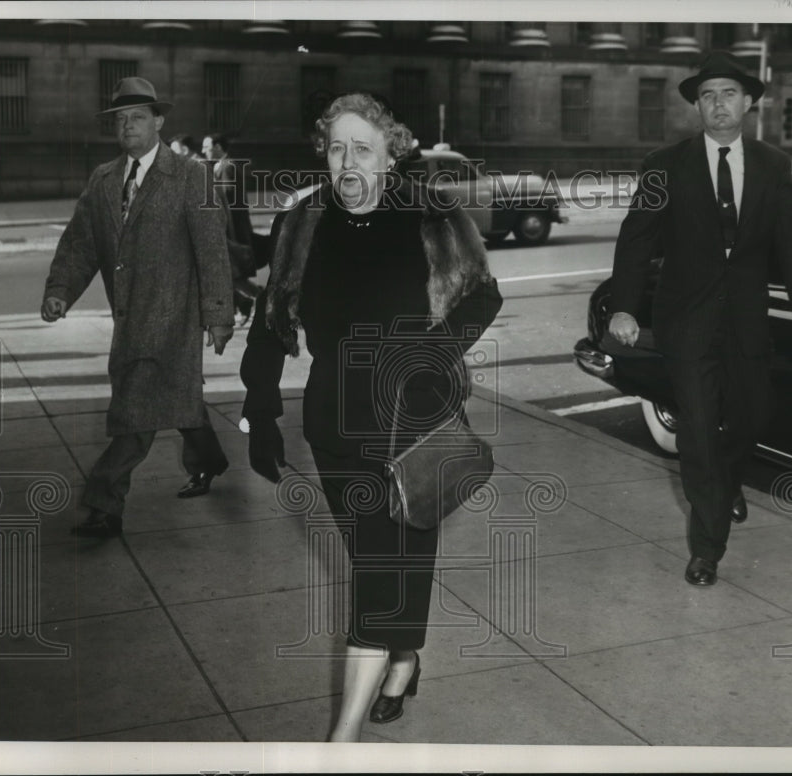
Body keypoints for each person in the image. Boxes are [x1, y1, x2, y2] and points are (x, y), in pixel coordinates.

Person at [240, 92, 502, 741]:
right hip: (337, 424)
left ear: (390, 156)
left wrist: (427, 358)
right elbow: (271, 322)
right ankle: (403, 653)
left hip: (417, 421)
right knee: (377, 560)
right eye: (336, 147)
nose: (347, 160)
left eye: (363, 147)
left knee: (400, 557)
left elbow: (483, 296)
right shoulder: (301, 224)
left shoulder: (430, 214)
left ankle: (344, 737)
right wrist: (261, 406)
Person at [608, 51, 792, 586]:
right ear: (697, 107)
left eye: (728, 93)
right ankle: (707, 547)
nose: (718, 104)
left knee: (753, 416)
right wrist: (622, 305)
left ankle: (728, 482)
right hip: (686, 320)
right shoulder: (665, 164)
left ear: (749, 101)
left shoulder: (774, 165)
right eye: (708, 96)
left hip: (748, 320)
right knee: (700, 433)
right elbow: (637, 239)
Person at [41, 77, 235, 539]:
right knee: (177, 402)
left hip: (174, 320)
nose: (127, 126)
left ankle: (104, 505)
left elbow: (212, 251)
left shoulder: (191, 176)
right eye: (120, 120)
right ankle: (210, 460)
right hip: (128, 320)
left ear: (159, 122)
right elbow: (80, 244)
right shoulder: (104, 179)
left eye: (137, 117)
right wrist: (60, 291)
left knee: (134, 415)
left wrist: (219, 315)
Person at [204, 132, 258, 326]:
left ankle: (253, 301)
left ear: (218, 147)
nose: (204, 151)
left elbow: (226, 195)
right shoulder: (223, 166)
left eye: (207, 146)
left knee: (233, 272)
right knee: (231, 272)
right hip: (231, 226)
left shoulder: (227, 166)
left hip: (232, 228)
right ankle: (243, 306)